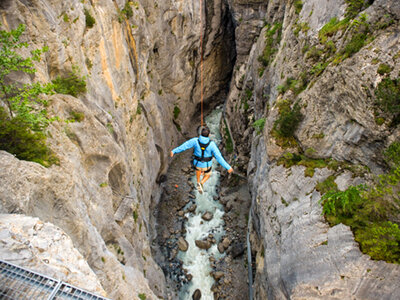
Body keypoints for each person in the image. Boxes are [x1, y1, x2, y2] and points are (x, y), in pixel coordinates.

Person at [170, 126, 233, 194]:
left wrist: (174, 151)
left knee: (198, 169)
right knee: (208, 174)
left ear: (200, 134)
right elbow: (219, 157)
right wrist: (228, 167)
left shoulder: (195, 140)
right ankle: (201, 182)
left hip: (197, 163)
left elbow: (185, 146)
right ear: (209, 135)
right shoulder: (212, 145)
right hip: (206, 165)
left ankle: (197, 182)